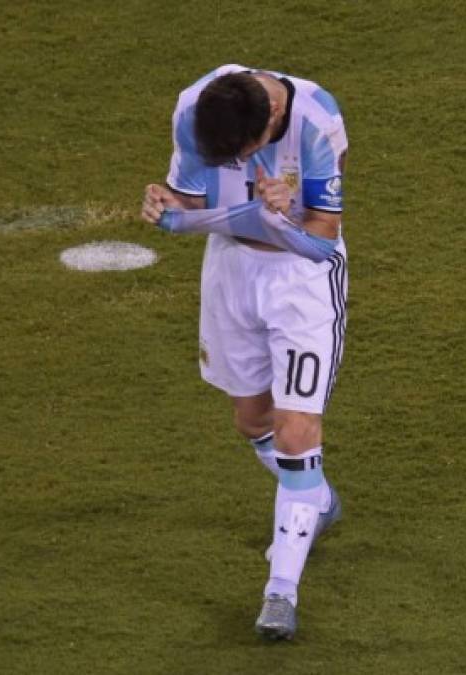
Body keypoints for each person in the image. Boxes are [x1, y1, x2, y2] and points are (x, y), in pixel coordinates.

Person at [140, 64, 349, 640]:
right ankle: (318, 499)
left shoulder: (316, 121)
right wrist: (165, 203)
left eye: (244, 153)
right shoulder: (197, 108)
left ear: (273, 121)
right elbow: (188, 192)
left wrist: (286, 212)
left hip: (299, 285)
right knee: (251, 419)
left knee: (296, 430)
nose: (233, 160)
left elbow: (323, 237)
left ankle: (280, 593)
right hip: (231, 272)